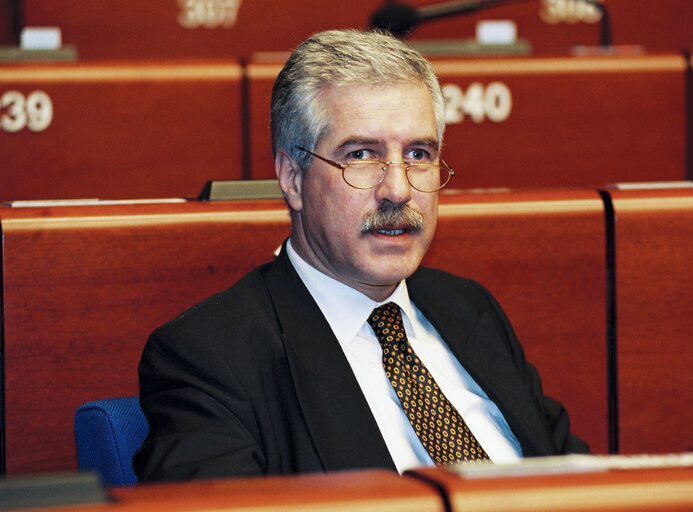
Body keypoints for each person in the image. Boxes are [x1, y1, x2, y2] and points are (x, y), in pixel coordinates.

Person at [133, 28, 588, 482]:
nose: (398, 189)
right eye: (361, 155)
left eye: (418, 154)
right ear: (292, 178)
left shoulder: (469, 308)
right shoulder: (211, 356)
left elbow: (582, 483)